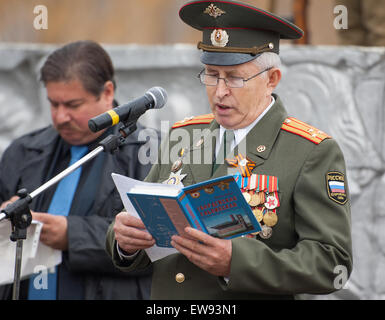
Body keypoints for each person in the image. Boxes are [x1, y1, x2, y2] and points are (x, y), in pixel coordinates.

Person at [106, 0, 353, 300]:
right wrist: (125, 241)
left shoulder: (310, 151)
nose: (219, 91)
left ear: (271, 80)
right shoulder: (183, 136)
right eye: (211, 74)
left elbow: (332, 263)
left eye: (235, 77)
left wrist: (237, 263)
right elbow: (141, 223)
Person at [0, 40, 154, 300]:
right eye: (53, 104)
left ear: (107, 93)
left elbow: (160, 247)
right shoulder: (22, 151)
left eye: (72, 105)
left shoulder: (149, 153)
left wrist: (72, 235)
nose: (60, 117)